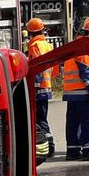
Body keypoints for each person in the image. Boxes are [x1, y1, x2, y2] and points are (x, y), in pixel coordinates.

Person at [62, 17, 89, 160]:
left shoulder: (75, 44)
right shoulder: (85, 47)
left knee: (73, 122)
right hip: (84, 91)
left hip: (71, 92)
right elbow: (85, 70)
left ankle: (72, 150)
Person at [26, 17, 56, 156]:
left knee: (39, 119)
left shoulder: (34, 46)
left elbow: (36, 68)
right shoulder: (48, 45)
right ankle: (49, 144)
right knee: (43, 117)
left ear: (30, 33)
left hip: (38, 89)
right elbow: (54, 68)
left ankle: (47, 147)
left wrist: (33, 86)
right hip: (47, 87)